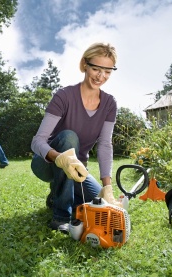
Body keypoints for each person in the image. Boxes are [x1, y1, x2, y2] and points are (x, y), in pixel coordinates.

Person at [31, 42, 122, 234]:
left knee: (98, 201)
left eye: (107, 71)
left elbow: (105, 145)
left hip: (78, 169)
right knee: (69, 137)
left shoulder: (109, 103)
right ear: (85, 65)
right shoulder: (64, 96)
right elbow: (37, 141)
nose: (101, 76)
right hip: (48, 162)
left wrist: (108, 187)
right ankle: (61, 217)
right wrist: (59, 158)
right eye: (96, 69)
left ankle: (57, 195)